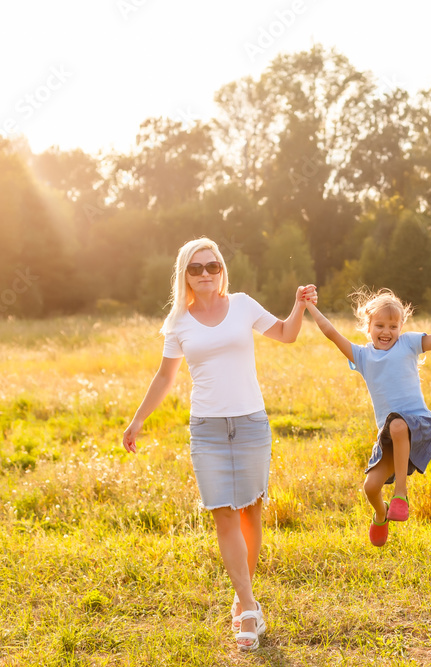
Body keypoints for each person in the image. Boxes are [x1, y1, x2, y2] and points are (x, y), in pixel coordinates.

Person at [121, 237, 316, 652]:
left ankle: (242, 595)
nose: (206, 273)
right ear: (185, 276)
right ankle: (248, 608)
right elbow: (164, 377)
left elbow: (285, 334)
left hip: (250, 423)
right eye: (196, 268)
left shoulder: (243, 304)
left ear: (222, 269)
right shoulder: (178, 323)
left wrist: (298, 306)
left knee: (250, 513)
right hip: (206, 429)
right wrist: (137, 420)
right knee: (223, 515)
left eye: (212, 266)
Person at [305, 289, 431, 547]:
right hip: (390, 437)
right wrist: (309, 306)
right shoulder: (362, 356)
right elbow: (331, 333)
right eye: (379, 325)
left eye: (393, 326)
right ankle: (381, 514)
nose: (386, 331)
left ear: (401, 327)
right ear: (368, 327)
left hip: (418, 425)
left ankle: (400, 494)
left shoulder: (409, 343)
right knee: (370, 487)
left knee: (398, 423)